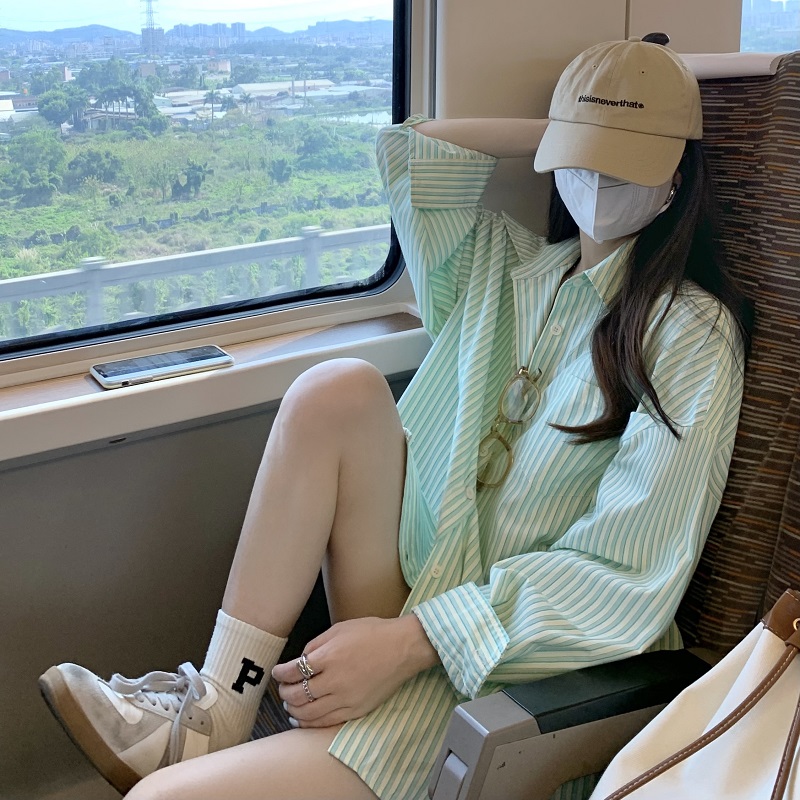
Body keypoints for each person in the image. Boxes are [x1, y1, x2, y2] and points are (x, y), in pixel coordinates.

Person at [39, 37, 751, 800]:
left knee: (157, 798)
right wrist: (563, 130)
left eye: (631, 163)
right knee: (337, 389)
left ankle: (274, 726)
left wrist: (410, 642)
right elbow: (418, 154)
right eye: (584, 157)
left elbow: (623, 576)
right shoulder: (503, 265)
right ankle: (218, 704)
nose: (602, 181)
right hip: (416, 588)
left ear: (678, 177)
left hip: (508, 677)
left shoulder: (691, 337)